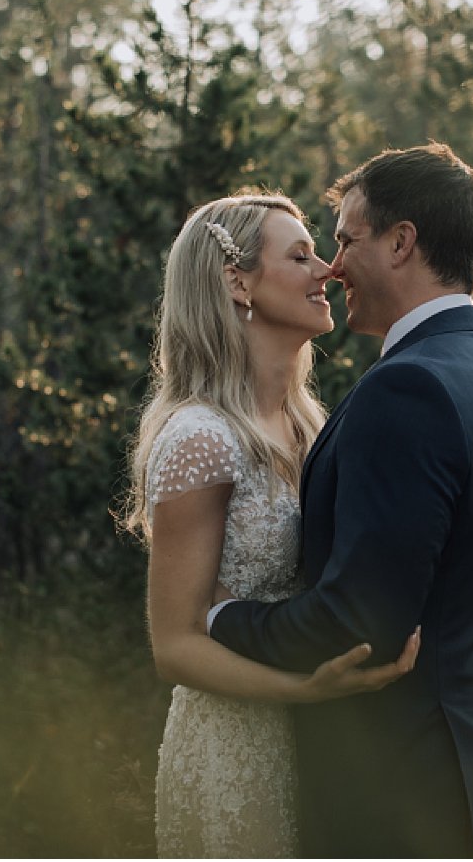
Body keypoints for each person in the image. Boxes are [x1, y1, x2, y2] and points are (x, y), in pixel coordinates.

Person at [209, 143, 473, 858]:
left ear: (401, 243)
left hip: (409, 797)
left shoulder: (408, 389)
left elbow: (358, 621)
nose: (333, 266)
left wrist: (221, 620)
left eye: (345, 240)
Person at [123, 190, 420, 858]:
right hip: (237, 750)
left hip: (325, 738)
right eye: (301, 254)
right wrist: (302, 689)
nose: (329, 270)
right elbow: (174, 643)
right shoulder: (201, 438)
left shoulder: (313, 426)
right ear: (237, 281)